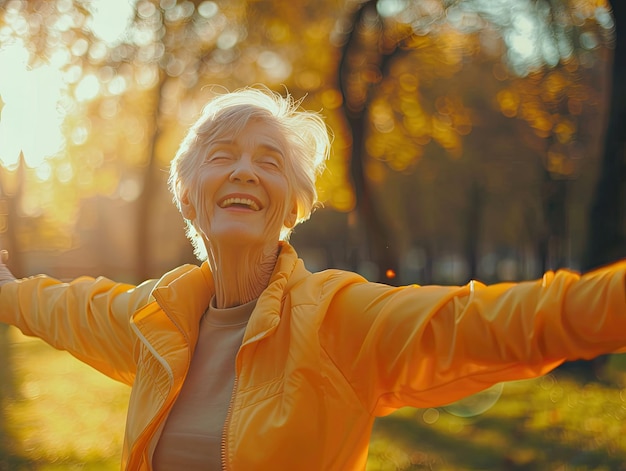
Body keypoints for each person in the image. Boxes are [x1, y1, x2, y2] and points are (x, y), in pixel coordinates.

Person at [0, 86, 625, 471]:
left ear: (294, 207)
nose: (245, 171)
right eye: (223, 157)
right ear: (189, 199)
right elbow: (62, 305)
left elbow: (503, 322)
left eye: (268, 162)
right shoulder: (153, 317)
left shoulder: (339, 318)